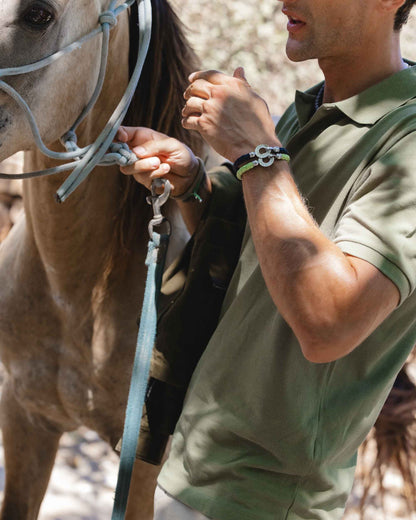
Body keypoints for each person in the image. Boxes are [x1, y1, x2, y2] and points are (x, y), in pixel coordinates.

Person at [117, 0, 416, 518]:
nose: (283, 2)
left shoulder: (407, 139)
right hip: (198, 465)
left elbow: (329, 321)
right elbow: (255, 247)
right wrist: (192, 182)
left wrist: (257, 149)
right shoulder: (315, 106)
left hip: (264, 497)